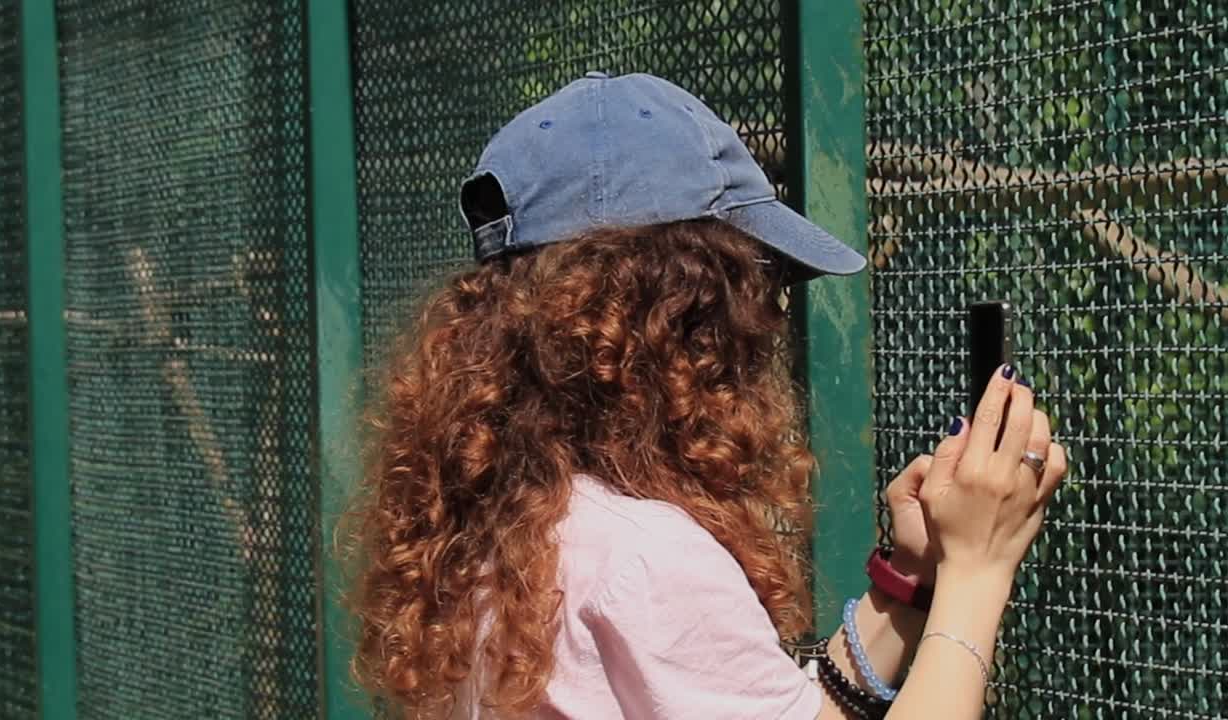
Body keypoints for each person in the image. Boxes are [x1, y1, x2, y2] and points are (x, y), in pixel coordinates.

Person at [340, 72, 1068, 719]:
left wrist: (910, 579)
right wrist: (979, 567)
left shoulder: (514, 531)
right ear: (678, 311)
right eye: (757, 286)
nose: (769, 323)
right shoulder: (645, 561)